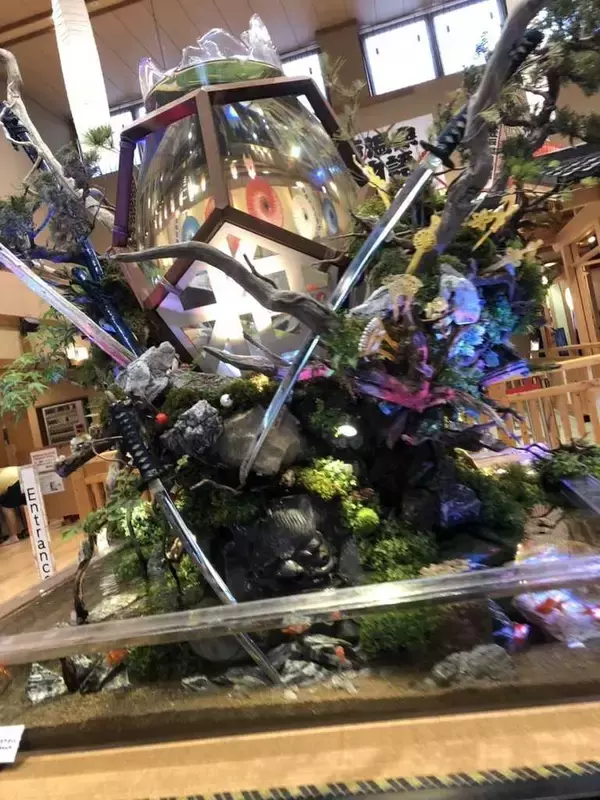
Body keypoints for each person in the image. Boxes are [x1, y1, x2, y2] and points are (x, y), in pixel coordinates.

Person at [0, 467, 27, 545]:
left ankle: (13, 537)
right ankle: (31, 529)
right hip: (24, 474)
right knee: (24, 503)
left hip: (12, 481)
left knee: (6, 507)